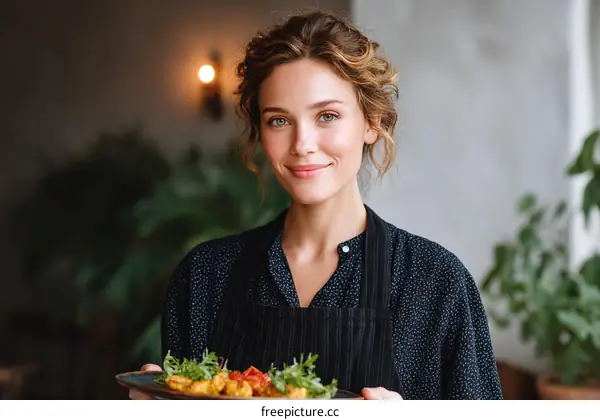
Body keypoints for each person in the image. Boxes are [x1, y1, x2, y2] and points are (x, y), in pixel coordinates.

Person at [130, 9, 503, 400]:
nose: (302, 144)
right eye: (278, 120)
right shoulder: (206, 277)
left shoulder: (433, 283)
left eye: (327, 116)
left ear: (371, 122)